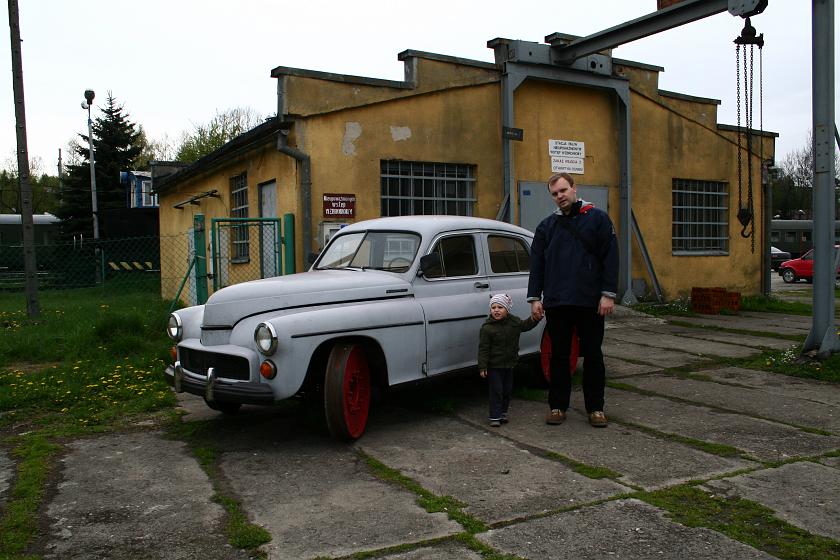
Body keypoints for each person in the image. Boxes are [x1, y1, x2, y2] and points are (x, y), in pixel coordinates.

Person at [527, 172, 618, 428]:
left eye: (563, 190)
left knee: (592, 356)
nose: (560, 196)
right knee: (559, 357)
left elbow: (611, 258)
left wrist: (607, 294)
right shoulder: (546, 226)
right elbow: (538, 265)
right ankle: (557, 407)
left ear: (574, 188)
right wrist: (535, 297)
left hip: (590, 301)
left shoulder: (598, 219)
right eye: (555, 193)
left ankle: (596, 409)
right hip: (557, 302)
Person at [478, 293, 541, 427]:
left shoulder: (514, 322)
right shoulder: (487, 328)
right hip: (494, 365)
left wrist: (535, 319)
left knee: (507, 390)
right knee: (497, 391)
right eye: (493, 307)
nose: (496, 310)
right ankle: (494, 416)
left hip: (510, 364)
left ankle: (503, 413)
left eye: (500, 307)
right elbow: (483, 349)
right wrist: (482, 366)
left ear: (507, 309)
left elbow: (526, 325)